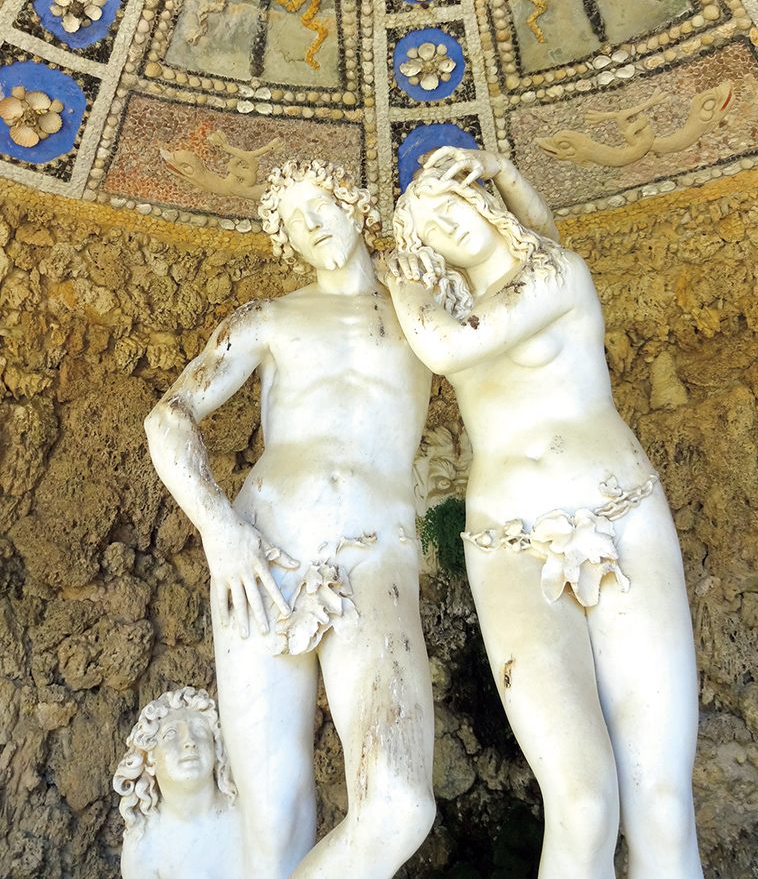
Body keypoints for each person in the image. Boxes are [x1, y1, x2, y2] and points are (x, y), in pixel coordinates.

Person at [386, 147, 703, 879]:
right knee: (582, 801)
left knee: (659, 800)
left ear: (481, 202)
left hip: (619, 517)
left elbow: (446, 346)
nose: (443, 230)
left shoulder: (556, 274)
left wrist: (495, 176)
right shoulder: (459, 302)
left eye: (448, 207)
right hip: (508, 544)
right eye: (425, 232)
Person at [144, 160, 435, 879]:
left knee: (397, 803)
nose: (311, 227)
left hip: (372, 554)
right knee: (272, 821)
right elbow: (168, 417)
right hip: (260, 554)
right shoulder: (269, 317)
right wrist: (220, 531)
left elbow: (530, 290)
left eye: (320, 207)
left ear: (355, 206)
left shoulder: (423, 307)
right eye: (293, 224)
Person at [114, 686, 241, 879]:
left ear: (216, 749)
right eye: (171, 733)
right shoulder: (144, 847)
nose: (189, 741)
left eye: (199, 730)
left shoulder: (246, 815)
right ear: (149, 760)